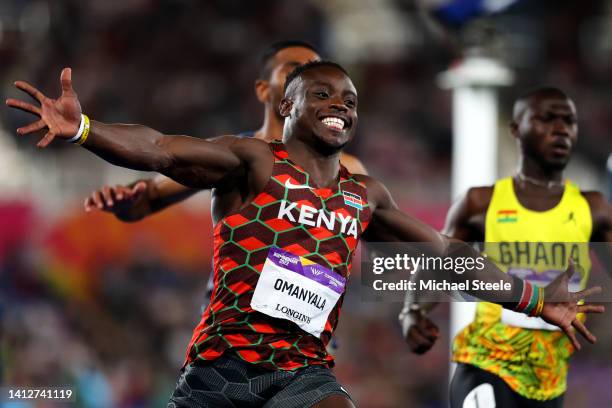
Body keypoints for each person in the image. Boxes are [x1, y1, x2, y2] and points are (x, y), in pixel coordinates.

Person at [7, 64, 603, 408]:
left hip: (302, 375)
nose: (339, 105)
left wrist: (533, 301)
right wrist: (84, 128)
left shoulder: (363, 196)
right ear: (288, 107)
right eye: (322, 94)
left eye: (350, 99)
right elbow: (161, 148)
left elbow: (450, 257)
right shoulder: (254, 162)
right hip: (217, 372)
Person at [401, 87, 612, 408]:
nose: (560, 129)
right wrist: (413, 312)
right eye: (546, 118)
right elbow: (439, 263)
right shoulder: (482, 202)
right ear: (516, 128)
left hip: (550, 379)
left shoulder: (593, 208)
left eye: (569, 121)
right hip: (487, 363)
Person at [81, 40, 367, 220]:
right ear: (263, 89)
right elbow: (149, 195)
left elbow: (393, 256)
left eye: (315, 69)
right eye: (295, 68)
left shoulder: (350, 171)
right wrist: (124, 201)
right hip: (231, 314)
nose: (310, 77)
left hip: (309, 318)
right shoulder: (234, 154)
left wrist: (410, 309)